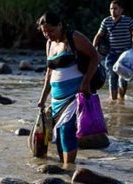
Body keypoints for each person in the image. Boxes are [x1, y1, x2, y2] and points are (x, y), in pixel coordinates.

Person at [36, 11, 98, 164]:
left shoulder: (73, 37)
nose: (48, 34)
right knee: (57, 133)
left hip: (75, 95)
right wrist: (43, 97)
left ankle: (69, 167)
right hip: (57, 99)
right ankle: (66, 169)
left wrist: (85, 82)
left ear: (60, 25)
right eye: (44, 32)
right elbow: (49, 71)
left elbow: (95, 56)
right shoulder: (49, 44)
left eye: (51, 30)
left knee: (67, 131)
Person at [93, 0, 133, 101]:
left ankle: (121, 99)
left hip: (125, 55)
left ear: (121, 10)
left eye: (115, 8)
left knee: (123, 79)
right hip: (111, 54)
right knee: (112, 78)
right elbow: (99, 35)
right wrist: (93, 49)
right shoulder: (106, 21)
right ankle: (114, 102)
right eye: (111, 9)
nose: (113, 11)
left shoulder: (128, 20)